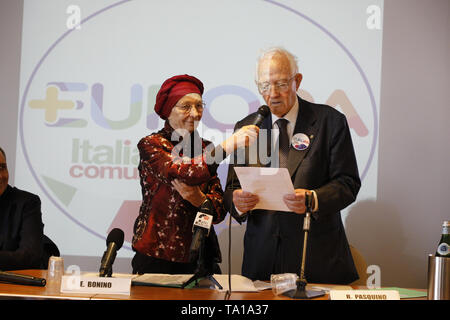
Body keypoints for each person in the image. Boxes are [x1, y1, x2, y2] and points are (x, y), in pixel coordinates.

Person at [224, 47, 361, 284]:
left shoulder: (330, 121)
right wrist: (236, 201)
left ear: (297, 81)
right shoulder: (247, 127)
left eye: (281, 84)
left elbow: (348, 183)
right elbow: (231, 188)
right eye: (265, 86)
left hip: (316, 257)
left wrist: (313, 198)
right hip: (262, 261)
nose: (273, 94)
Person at [132, 74, 258, 275]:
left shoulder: (206, 148)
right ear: (168, 110)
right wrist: (228, 145)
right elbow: (185, 173)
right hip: (156, 257)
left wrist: (201, 200)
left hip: (201, 257)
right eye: (185, 106)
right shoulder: (152, 145)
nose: (195, 113)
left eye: (199, 106)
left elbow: (218, 211)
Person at [0, 147, 44, 270]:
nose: (0, 176)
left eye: (2, 168)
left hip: (12, 285)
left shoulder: (27, 203)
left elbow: (31, 256)